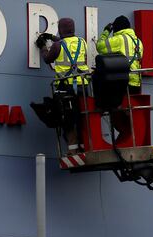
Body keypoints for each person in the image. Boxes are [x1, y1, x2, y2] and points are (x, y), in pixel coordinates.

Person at [36, 18, 90, 155]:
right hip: (83, 87)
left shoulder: (57, 46)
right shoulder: (82, 42)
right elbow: (71, 47)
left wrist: (42, 47)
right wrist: (53, 38)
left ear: (60, 29)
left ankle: (73, 151)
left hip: (67, 88)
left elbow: (48, 58)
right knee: (83, 117)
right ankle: (84, 147)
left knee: (68, 119)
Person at [96, 15, 143, 94]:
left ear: (116, 28)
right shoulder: (138, 42)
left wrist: (106, 31)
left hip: (123, 83)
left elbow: (100, 46)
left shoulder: (120, 39)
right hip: (136, 84)